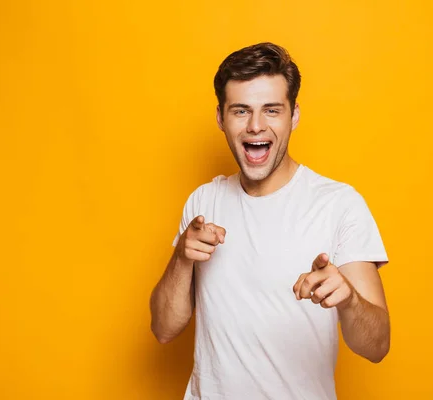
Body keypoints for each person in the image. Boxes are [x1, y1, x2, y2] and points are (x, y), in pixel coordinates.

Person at [150, 42, 390, 400]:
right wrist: (182, 257)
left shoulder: (339, 205)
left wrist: (350, 300)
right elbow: (163, 329)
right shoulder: (203, 201)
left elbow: (378, 345)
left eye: (272, 110)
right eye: (241, 111)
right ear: (221, 118)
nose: (256, 126)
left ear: (294, 116)